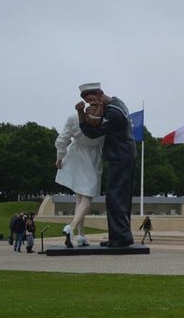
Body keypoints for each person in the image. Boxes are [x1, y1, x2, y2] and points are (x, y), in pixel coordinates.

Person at [77, 82, 136, 247]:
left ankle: (121, 238)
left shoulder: (113, 113)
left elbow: (92, 133)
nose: (91, 105)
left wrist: (81, 115)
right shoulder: (117, 103)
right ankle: (119, 236)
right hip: (124, 155)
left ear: (100, 93)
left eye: (91, 100)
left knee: (115, 197)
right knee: (119, 197)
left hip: (120, 156)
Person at [55, 105, 105, 247]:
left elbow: (62, 139)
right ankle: (70, 227)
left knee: (80, 198)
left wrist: (60, 158)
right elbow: (62, 140)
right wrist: (60, 157)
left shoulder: (74, 118)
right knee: (87, 198)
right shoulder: (104, 123)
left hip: (77, 157)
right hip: (88, 159)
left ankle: (81, 235)